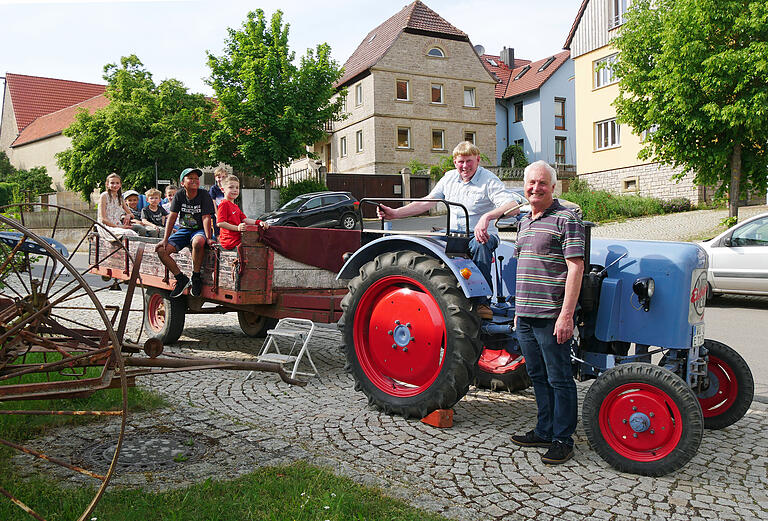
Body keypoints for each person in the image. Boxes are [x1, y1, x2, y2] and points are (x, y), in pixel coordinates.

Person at [376, 141, 519, 319]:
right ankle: (430, 295)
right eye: (461, 162)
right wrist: (395, 214)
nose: (465, 166)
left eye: (469, 161)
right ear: (454, 162)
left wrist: (486, 217)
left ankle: (481, 302)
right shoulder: (449, 178)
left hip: (482, 234)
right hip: (454, 234)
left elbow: (513, 207)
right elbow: (427, 202)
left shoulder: (488, 179)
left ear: (478, 160)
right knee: (425, 244)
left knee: (479, 244)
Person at [510, 160, 585, 465]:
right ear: (524, 186)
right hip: (525, 315)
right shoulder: (524, 222)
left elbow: (576, 267)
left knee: (559, 378)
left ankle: (563, 439)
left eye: (542, 183)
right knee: (537, 375)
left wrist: (566, 315)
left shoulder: (567, 219)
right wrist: (517, 311)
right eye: (531, 183)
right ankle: (544, 429)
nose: (535, 188)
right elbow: (523, 268)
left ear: (554, 187)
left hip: (551, 316)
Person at [155, 168, 216, 298]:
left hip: (199, 230)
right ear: (183, 183)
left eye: (196, 178)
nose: (194, 180)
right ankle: (181, 278)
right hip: (184, 229)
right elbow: (172, 217)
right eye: (190, 178)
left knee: (198, 242)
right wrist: (165, 239)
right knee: (161, 250)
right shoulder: (179, 195)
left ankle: (196, 276)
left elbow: (206, 217)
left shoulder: (204, 194)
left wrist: (209, 237)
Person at [216, 175, 268, 250]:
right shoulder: (224, 204)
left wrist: (259, 222)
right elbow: (220, 223)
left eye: (237, 187)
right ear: (223, 189)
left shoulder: (235, 206)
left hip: (238, 238)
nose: (235, 190)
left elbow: (244, 219)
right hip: (230, 240)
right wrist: (237, 228)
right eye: (231, 187)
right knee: (256, 244)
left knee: (261, 241)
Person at [97, 173, 138, 241]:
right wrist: (120, 227)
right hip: (106, 227)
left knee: (137, 231)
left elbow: (131, 215)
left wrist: (128, 215)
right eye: (112, 183)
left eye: (117, 183)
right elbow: (103, 219)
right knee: (128, 233)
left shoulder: (120, 198)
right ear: (107, 184)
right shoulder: (104, 196)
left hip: (118, 224)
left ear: (120, 185)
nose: (115, 185)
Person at [209, 166, 228, 237]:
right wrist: (217, 214)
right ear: (215, 178)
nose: (221, 179)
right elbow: (213, 202)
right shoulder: (214, 188)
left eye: (223, 177)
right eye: (219, 177)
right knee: (217, 231)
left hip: (225, 213)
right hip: (216, 213)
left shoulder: (227, 188)